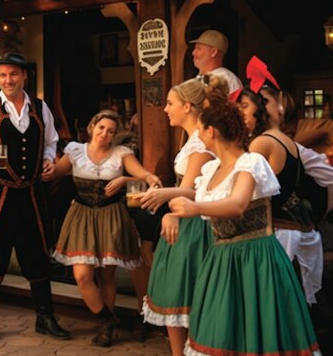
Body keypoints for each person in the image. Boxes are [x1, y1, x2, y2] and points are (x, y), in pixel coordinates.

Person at [169, 95, 320, 356]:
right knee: (221, 330)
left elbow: (237, 204)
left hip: (255, 258)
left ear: (210, 131)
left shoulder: (251, 162)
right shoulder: (213, 168)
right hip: (222, 258)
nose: (198, 135)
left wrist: (194, 209)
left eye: (200, 129)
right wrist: (169, 203)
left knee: (257, 332)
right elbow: (206, 197)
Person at [0, 52, 70, 345]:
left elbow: (50, 142)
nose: (7, 80)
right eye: (3, 75)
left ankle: (45, 317)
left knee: (36, 253)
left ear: (24, 76)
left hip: (32, 193)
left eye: (13, 75)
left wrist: (49, 160)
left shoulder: (41, 107)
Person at [45, 109, 161, 347]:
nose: (104, 134)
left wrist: (124, 180)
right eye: (101, 128)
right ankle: (107, 319)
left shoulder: (122, 154)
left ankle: (105, 329)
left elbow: (145, 176)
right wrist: (46, 168)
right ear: (92, 128)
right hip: (82, 215)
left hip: (110, 214)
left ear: (115, 134)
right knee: (82, 275)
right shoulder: (76, 151)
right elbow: (56, 171)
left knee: (107, 277)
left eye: (110, 131)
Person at [141, 76, 226, 356]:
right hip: (181, 217)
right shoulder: (191, 141)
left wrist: (165, 198)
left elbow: (190, 191)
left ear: (188, 106)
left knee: (184, 294)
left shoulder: (200, 146)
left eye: (170, 103)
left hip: (194, 226)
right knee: (175, 295)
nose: (165, 109)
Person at [238, 58, 323, 306]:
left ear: (279, 105)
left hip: (277, 232)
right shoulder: (283, 139)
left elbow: (242, 193)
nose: (247, 110)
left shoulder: (262, 142)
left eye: (260, 102)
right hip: (294, 229)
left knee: (271, 303)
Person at [189, 30, 242, 100]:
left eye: (198, 49)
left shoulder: (227, 79)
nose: (193, 52)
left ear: (214, 52)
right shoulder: (199, 78)